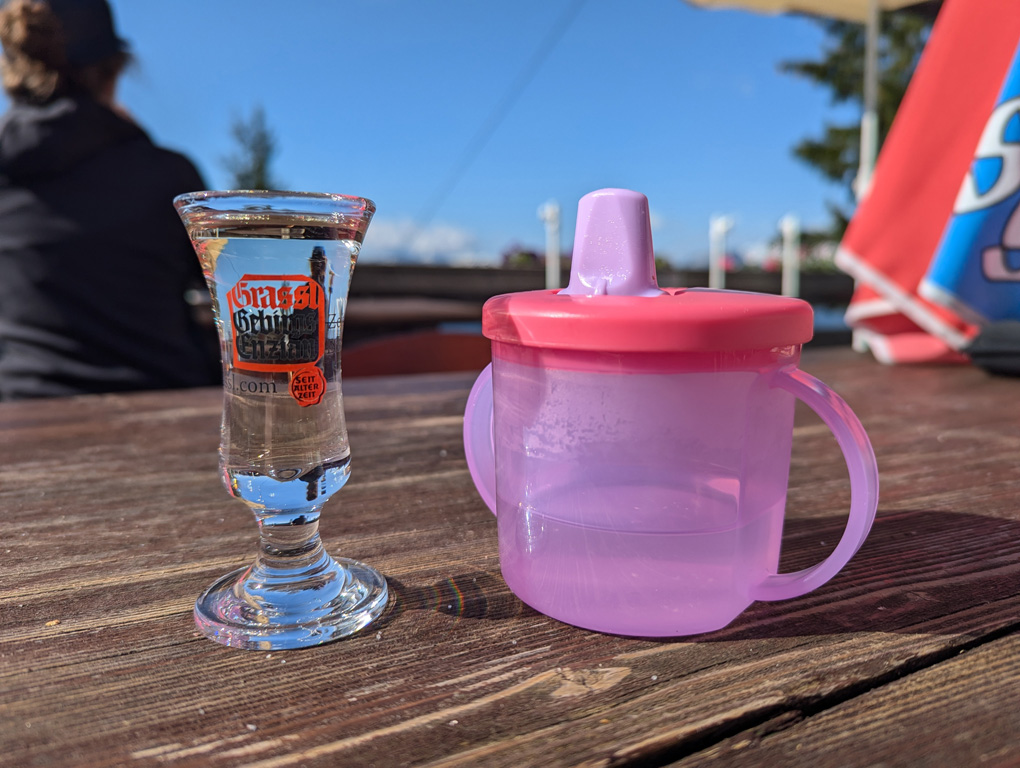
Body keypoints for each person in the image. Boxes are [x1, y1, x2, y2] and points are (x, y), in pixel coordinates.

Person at [0, 0, 219, 400]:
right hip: (167, 406)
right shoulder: (168, 177)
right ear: (114, 69)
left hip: (22, 412)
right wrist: (134, 140)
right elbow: (224, 285)